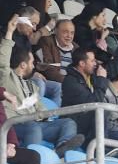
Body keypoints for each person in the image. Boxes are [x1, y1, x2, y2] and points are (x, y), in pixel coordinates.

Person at [1, 16, 83, 156]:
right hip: (15, 123)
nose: (34, 66)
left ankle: (60, 150)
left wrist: (46, 115)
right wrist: (9, 32)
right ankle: (27, 158)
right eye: (32, 63)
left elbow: (39, 106)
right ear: (23, 65)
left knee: (68, 123)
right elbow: (3, 62)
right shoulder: (7, 78)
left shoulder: (32, 87)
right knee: (34, 127)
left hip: (34, 122)